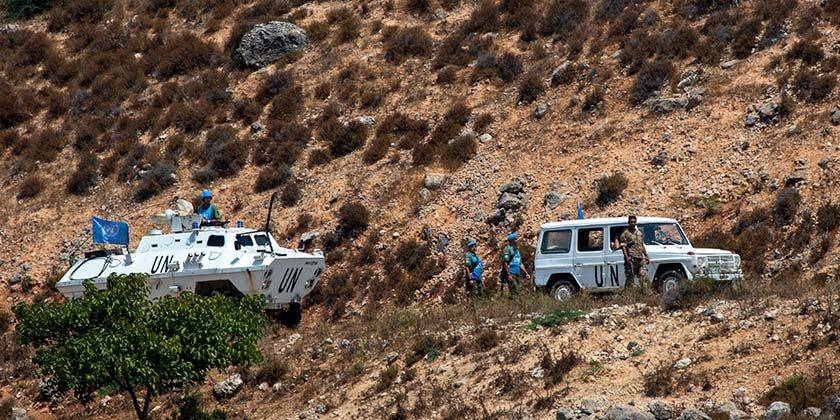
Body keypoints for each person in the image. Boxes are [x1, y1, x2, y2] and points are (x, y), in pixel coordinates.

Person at [618, 215, 650, 290]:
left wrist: (646, 256)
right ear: (628, 222)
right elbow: (624, 247)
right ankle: (628, 296)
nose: (633, 223)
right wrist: (627, 257)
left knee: (644, 277)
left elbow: (641, 245)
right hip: (631, 259)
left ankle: (645, 295)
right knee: (630, 280)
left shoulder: (639, 233)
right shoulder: (625, 234)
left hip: (640, 259)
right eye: (631, 222)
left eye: (634, 222)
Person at [500, 232, 530, 297]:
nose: (517, 240)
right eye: (515, 239)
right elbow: (505, 263)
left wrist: (526, 273)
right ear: (512, 240)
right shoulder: (508, 249)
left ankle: (511, 305)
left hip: (517, 274)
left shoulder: (516, 250)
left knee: (515, 292)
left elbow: (520, 263)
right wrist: (508, 275)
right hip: (511, 274)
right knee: (515, 291)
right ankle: (514, 305)